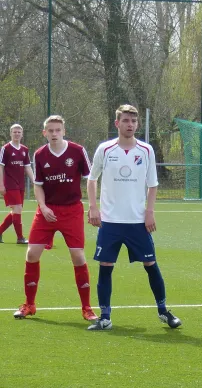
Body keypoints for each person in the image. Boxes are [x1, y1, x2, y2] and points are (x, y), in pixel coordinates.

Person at [87, 104, 181, 331]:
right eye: (126, 121)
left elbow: (153, 185)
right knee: (105, 265)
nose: (130, 125)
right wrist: (93, 207)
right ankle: (105, 317)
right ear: (117, 123)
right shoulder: (105, 149)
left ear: (137, 124)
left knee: (151, 264)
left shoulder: (146, 150)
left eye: (134, 121)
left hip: (138, 222)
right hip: (110, 221)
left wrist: (149, 212)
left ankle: (163, 311)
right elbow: (92, 179)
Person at [13, 115, 97, 321]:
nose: (54, 133)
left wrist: (93, 206)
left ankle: (87, 308)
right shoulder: (40, 154)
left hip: (71, 211)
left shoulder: (77, 151)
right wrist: (42, 206)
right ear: (44, 133)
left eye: (57, 130)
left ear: (64, 131)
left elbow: (91, 179)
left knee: (78, 257)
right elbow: (38, 184)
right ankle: (29, 304)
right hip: (47, 212)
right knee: (32, 254)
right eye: (50, 130)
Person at [0, 124, 34, 244]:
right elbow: (1, 167)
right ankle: (20, 238)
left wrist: (35, 181)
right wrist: (1, 185)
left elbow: (28, 167)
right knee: (17, 209)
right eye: (15, 132)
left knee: (16, 211)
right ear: (11, 133)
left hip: (20, 184)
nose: (17, 134)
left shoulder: (25, 149)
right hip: (9, 183)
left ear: (22, 134)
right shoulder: (6, 148)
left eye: (19, 132)